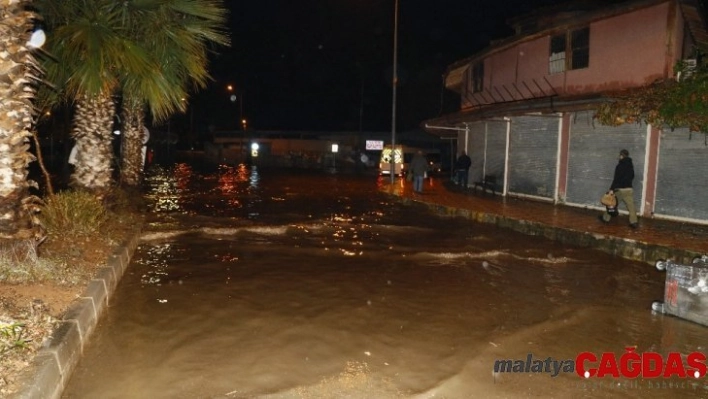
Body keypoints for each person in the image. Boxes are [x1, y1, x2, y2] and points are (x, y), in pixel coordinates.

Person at [599, 149, 638, 229]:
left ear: (621, 156)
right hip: (629, 189)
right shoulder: (631, 165)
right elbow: (632, 176)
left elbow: (616, 178)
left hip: (620, 189)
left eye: (619, 155)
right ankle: (634, 222)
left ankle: (605, 218)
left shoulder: (620, 165)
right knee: (631, 206)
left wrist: (611, 189)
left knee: (611, 203)